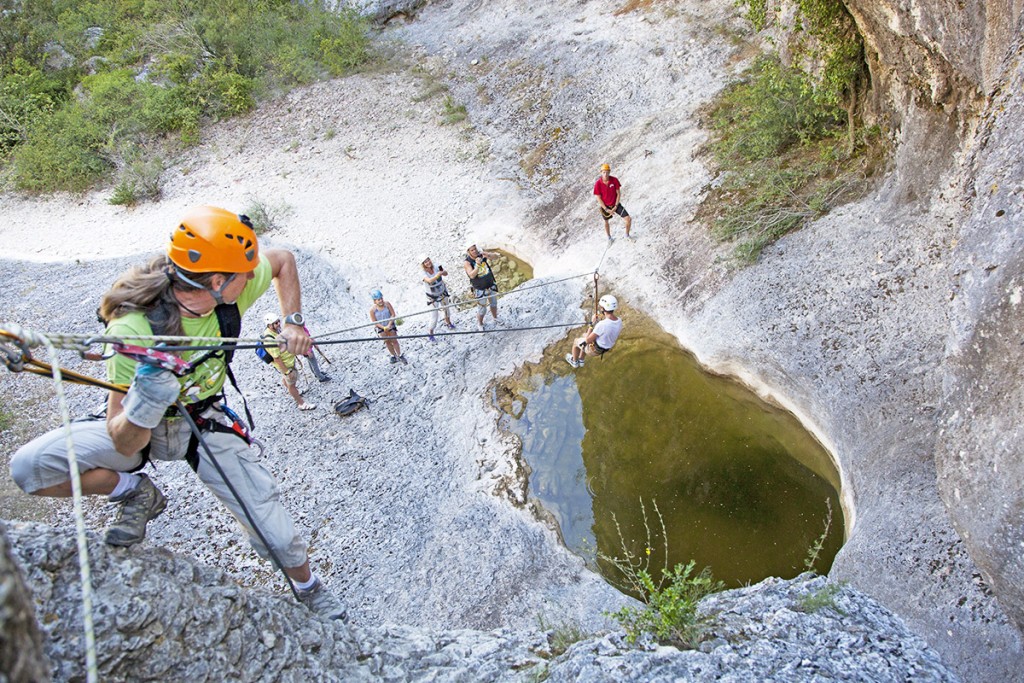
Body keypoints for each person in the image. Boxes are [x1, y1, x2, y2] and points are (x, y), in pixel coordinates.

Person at [8, 205, 346, 620]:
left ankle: (308, 589)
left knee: (276, 533)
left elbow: (283, 260)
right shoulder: (133, 332)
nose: (251, 274)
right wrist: (147, 400)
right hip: (140, 426)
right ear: (219, 281)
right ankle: (133, 492)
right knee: (30, 469)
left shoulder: (226, 296)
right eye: (244, 272)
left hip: (204, 420)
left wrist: (294, 323)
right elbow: (122, 439)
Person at [262, 313, 317, 411]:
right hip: (286, 365)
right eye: (276, 323)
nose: (279, 324)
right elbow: (277, 358)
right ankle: (301, 403)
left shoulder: (276, 331)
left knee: (288, 381)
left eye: (278, 321)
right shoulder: (270, 341)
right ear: (269, 325)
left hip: (288, 361)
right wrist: (287, 372)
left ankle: (292, 390)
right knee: (291, 383)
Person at [566, 294, 623, 368]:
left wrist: (592, 323)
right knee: (584, 334)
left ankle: (574, 362)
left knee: (576, 342)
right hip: (604, 347)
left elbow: (587, 340)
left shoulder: (602, 324)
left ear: (603, 308)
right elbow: (607, 328)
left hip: (594, 350)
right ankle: (581, 359)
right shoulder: (619, 320)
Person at [463, 240, 499, 332]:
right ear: (468, 252)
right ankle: (480, 323)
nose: (474, 251)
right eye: (472, 250)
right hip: (479, 289)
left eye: (475, 249)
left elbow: (496, 257)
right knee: (482, 309)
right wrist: (477, 266)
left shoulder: (481, 255)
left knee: (494, 303)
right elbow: (471, 275)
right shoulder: (467, 262)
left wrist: (489, 255)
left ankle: (495, 318)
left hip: (490, 284)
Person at [594, 163, 632, 242]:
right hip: (605, 206)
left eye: (607, 172)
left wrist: (615, 206)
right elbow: (598, 198)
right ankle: (609, 238)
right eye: (604, 172)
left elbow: (618, 193)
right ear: (601, 172)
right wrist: (606, 209)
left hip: (616, 204)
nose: (605, 174)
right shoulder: (598, 184)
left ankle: (627, 235)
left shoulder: (614, 180)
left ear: (609, 172)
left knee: (628, 219)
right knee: (606, 222)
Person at [420, 253, 454, 342]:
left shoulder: (437, 266)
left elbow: (445, 273)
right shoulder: (422, 273)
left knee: (446, 308)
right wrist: (437, 275)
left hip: (442, 291)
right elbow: (429, 281)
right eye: (425, 262)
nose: (428, 262)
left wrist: (442, 272)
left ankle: (448, 322)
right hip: (432, 296)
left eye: (428, 260)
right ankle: (430, 332)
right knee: (434, 315)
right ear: (423, 264)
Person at [369, 289, 406, 364]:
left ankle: (399, 354)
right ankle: (393, 355)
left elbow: (393, 314)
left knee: (394, 340)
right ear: (375, 301)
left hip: (390, 325)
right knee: (387, 342)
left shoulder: (387, 304)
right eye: (378, 299)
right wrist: (383, 328)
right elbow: (375, 322)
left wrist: (389, 325)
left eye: (381, 298)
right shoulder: (372, 310)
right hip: (381, 328)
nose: (380, 301)